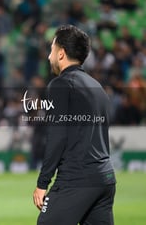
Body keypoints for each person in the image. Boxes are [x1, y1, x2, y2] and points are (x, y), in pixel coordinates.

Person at [33, 25, 116, 224]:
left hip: (76, 179)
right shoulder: (97, 87)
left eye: (51, 50)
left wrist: (42, 182)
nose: (48, 57)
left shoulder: (60, 85)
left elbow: (57, 136)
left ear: (61, 54)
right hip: (104, 178)